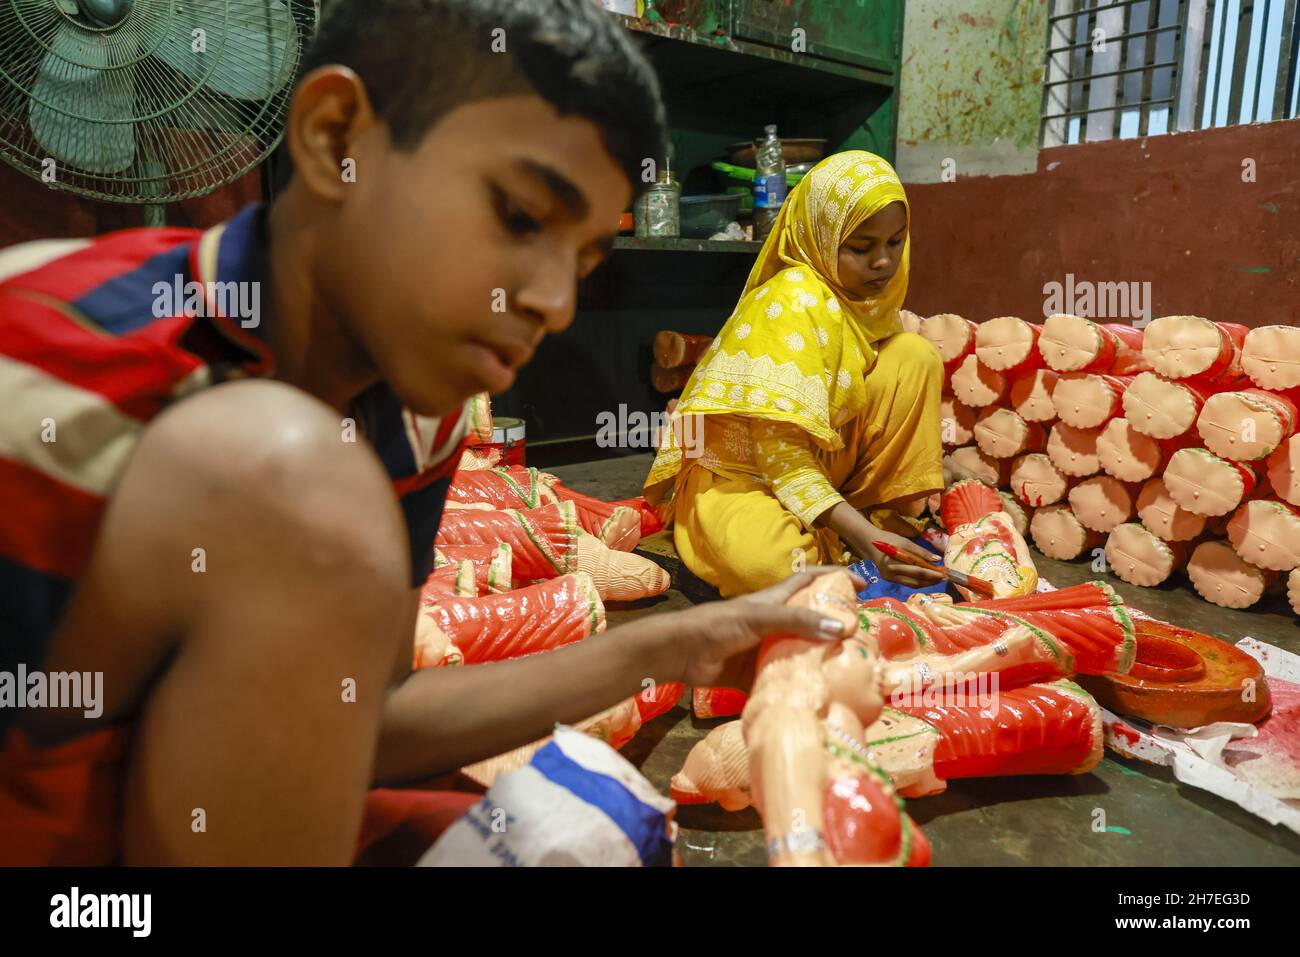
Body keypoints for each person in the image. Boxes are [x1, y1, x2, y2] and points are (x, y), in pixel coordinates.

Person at [0, 0, 858, 866]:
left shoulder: (419, 405)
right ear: (338, 138)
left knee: (597, 837)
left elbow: (361, 714)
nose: (556, 303)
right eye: (521, 216)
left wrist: (675, 644)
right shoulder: (38, 358)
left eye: (587, 261)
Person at [644, 151, 948, 598]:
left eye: (895, 242)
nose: (883, 262)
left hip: (814, 461)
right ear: (819, 237)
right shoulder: (793, 301)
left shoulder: (863, 299)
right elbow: (780, 457)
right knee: (768, 567)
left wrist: (871, 532)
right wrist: (868, 542)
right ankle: (849, 538)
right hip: (739, 475)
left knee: (913, 355)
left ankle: (863, 522)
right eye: (861, 248)